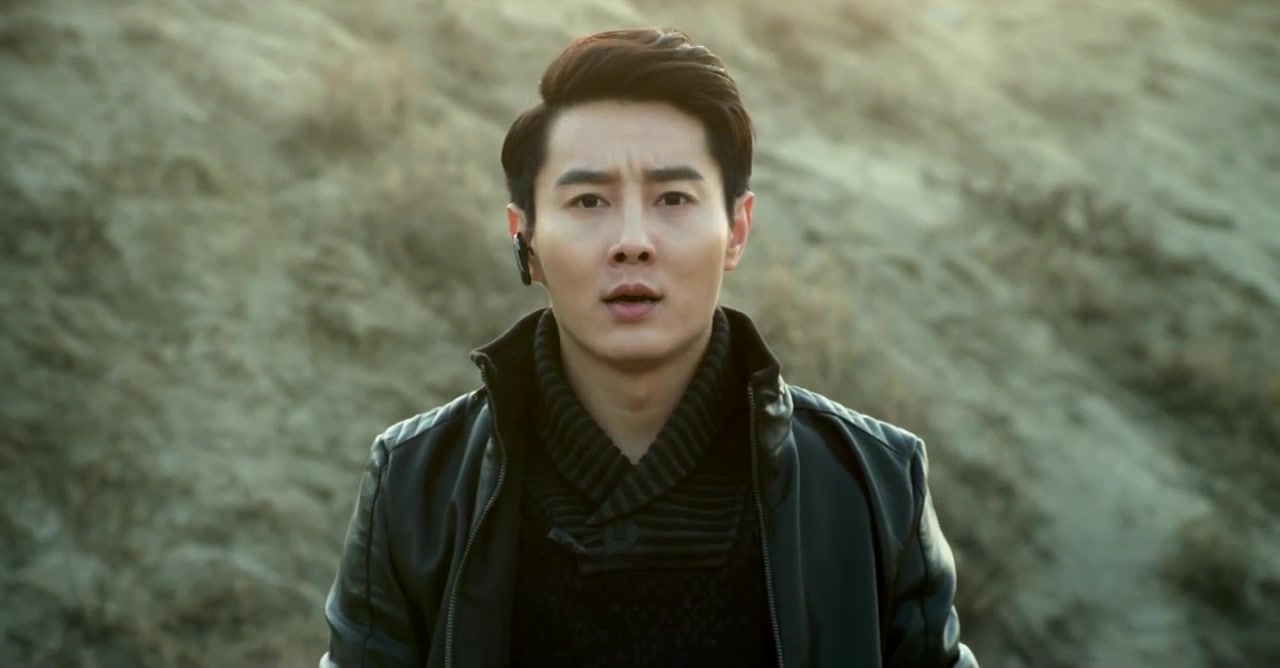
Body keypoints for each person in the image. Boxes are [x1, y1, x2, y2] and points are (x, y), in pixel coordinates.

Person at [320, 27, 978, 668]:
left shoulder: (872, 484)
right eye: (588, 201)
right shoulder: (416, 485)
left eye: (673, 198)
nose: (632, 241)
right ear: (526, 239)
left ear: (737, 230)